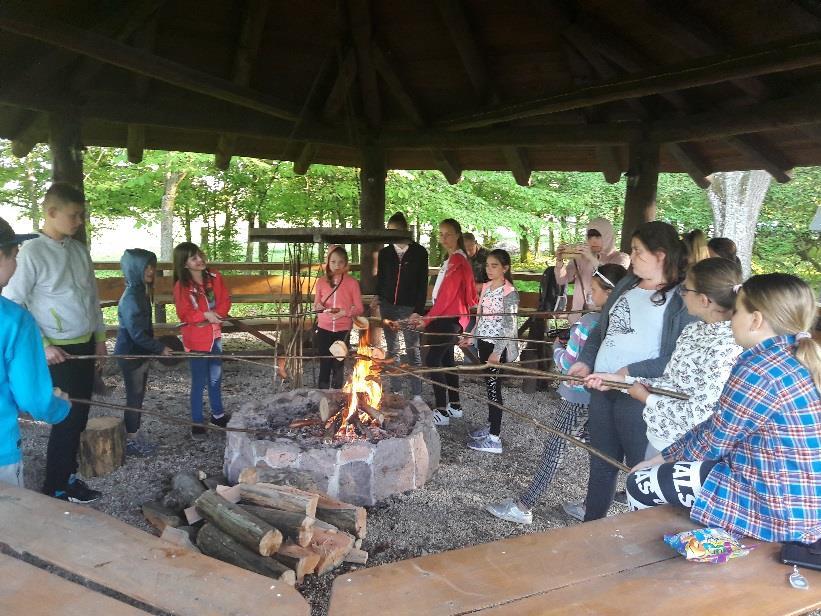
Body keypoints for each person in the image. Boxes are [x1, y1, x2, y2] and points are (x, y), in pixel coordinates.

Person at [625, 273, 821, 544]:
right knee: (662, 475)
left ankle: (651, 558)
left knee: (640, 484)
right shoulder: (792, 357)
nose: (732, 319)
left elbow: (713, 442)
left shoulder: (759, 370)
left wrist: (654, 464)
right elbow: (717, 425)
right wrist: (661, 458)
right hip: (798, 496)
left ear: (756, 320)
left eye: (737, 311)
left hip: (770, 501)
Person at [565, 221, 695, 522]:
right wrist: (586, 360)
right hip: (601, 388)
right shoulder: (627, 284)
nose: (632, 257)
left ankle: (646, 538)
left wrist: (627, 373)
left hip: (641, 396)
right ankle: (592, 527)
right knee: (601, 465)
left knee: (643, 469)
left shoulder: (681, 298)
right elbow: (603, 329)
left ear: (660, 255)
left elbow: (677, 357)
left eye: (638, 251)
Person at [485, 262, 628, 524]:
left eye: (594, 289)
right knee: (599, 452)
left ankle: (523, 505)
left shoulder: (588, 322)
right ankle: (591, 506)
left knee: (555, 447)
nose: (588, 295)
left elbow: (568, 367)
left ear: (609, 292)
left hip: (576, 396)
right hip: (603, 397)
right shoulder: (623, 322)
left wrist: (556, 348)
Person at [4, 183, 106, 503]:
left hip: (85, 344)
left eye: (81, 215)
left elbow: (92, 297)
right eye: (73, 215)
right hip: (57, 352)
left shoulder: (78, 249)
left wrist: (100, 338)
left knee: (80, 415)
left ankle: (68, 475)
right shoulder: (32, 251)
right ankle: (56, 486)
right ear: (51, 213)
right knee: (64, 415)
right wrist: (44, 344)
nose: (79, 221)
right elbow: (13, 301)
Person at [586, 258, 743, 457]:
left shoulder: (727, 346)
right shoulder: (693, 330)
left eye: (686, 289)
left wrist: (646, 397)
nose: (681, 294)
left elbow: (699, 415)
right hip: (660, 437)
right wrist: (621, 381)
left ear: (704, 300)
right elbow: (670, 380)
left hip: (688, 448)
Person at [0, 217, 71, 488]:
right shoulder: (14, 320)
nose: (16, 266)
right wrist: (59, 407)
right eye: (14, 256)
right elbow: (34, 398)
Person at [412, 219, 478, 426]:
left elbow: (448, 296)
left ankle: (441, 410)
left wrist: (427, 318)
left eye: (448, 234)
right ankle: (455, 405)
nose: (443, 238)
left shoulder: (457, 262)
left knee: (433, 361)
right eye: (440, 234)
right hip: (449, 316)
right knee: (447, 361)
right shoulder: (453, 260)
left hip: (448, 318)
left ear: (457, 235)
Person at [461, 249, 520, 454]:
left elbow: (509, 326)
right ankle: (490, 424)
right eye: (487, 265)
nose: (489, 269)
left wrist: (497, 352)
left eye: (494, 266)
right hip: (484, 344)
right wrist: (472, 335)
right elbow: (481, 318)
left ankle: (494, 438)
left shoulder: (510, 293)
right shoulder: (486, 287)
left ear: (505, 268)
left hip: (497, 348)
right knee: (489, 387)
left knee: (494, 390)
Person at [115, 249, 173, 456]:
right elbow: (137, 334)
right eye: (146, 266)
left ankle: (134, 433)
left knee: (138, 397)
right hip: (131, 355)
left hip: (138, 353)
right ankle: (131, 440)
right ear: (134, 268)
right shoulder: (132, 297)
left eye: (152, 266)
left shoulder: (140, 292)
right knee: (134, 397)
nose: (151, 271)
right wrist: (160, 348)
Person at [172, 242, 232, 439]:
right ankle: (196, 421)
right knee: (199, 381)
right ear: (184, 264)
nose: (200, 260)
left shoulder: (215, 277)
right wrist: (205, 315)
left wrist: (218, 314)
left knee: (215, 377)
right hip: (196, 340)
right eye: (193, 258)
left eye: (200, 255)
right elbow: (185, 313)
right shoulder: (182, 286)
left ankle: (217, 415)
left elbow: (225, 300)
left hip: (215, 336)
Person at [373, 213, 428, 401]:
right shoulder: (385, 253)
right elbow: (381, 279)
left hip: (409, 307)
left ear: (405, 230)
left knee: (413, 349)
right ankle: (396, 390)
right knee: (392, 349)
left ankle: (417, 394)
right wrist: (378, 296)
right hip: (388, 307)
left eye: (395, 230)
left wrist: (417, 311)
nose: (392, 234)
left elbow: (422, 284)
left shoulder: (420, 253)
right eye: (389, 230)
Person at [555, 218, 629, 324]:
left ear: (607, 236)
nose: (593, 241)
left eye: (598, 236)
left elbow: (610, 279)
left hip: (603, 318)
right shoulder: (580, 257)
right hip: (578, 317)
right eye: (590, 236)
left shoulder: (621, 258)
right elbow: (562, 280)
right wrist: (559, 261)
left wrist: (591, 258)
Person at [314, 245, 363, 390]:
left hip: (343, 329)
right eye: (333, 262)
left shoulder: (352, 283)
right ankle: (322, 393)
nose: (336, 265)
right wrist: (319, 308)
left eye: (341, 262)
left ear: (346, 263)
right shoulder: (321, 282)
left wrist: (345, 312)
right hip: (324, 327)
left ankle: (337, 394)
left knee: (338, 363)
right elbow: (316, 304)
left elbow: (359, 308)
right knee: (325, 362)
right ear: (328, 263)